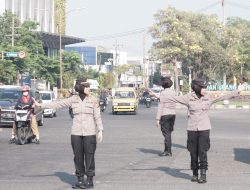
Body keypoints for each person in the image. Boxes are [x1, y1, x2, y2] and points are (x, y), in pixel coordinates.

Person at [159, 78, 245, 183]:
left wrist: (237, 90)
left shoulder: (207, 97)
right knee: (193, 152)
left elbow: (222, 97)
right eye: (203, 87)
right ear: (197, 88)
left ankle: (203, 174)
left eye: (205, 87)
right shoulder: (188, 98)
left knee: (202, 152)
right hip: (192, 129)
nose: (205, 89)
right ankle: (195, 173)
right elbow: (173, 99)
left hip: (204, 129)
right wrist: (159, 96)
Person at [33, 78, 103, 189]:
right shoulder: (73, 99)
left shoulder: (93, 100)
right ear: (80, 88)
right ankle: (80, 179)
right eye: (86, 86)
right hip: (76, 132)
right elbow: (58, 104)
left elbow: (97, 116)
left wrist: (100, 130)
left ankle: (89, 180)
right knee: (78, 157)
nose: (89, 88)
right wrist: (40, 105)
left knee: (89, 157)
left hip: (89, 132)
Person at [156, 77, 176, 156]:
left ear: (163, 85)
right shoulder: (173, 92)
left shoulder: (163, 93)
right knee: (169, 133)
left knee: (166, 133)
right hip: (173, 114)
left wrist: (157, 119)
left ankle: (168, 151)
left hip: (165, 114)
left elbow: (161, 106)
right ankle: (167, 150)